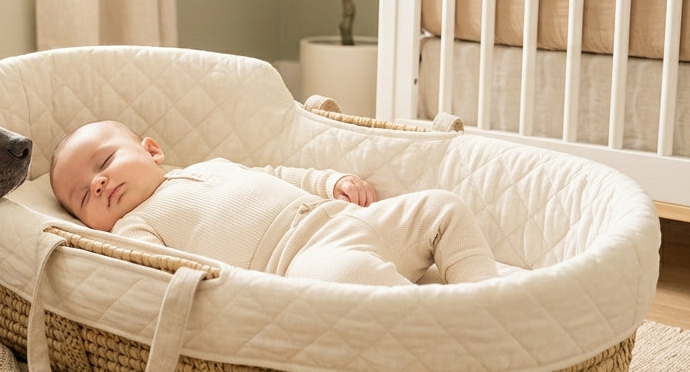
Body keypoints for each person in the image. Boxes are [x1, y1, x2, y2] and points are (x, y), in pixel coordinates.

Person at [48, 120, 498, 286]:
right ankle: (443, 321)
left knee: (443, 206)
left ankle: (482, 294)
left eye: (104, 161)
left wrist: (331, 182)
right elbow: (152, 266)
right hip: (304, 261)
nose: (100, 183)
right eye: (84, 195)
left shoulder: (214, 165)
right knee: (349, 277)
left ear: (152, 150)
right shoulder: (136, 228)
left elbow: (278, 176)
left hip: (345, 218)